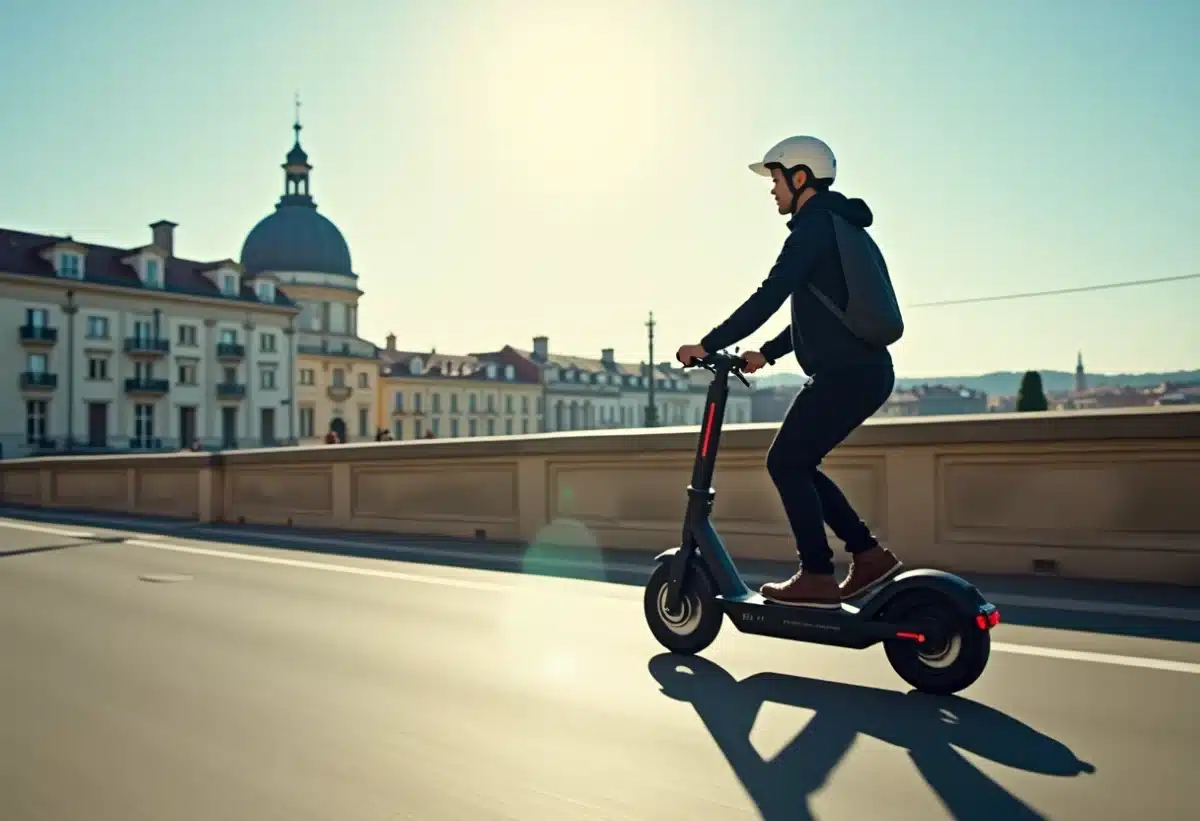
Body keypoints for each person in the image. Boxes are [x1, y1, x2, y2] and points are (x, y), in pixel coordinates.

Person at [675, 136, 901, 608]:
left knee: (785, 462)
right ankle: (867, 554)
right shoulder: (841, 226)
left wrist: (708, 343)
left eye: (776, 179)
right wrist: (768, 353)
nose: (772, 190)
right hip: (867, 370)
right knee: (798, 462)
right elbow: (823, 307)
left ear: (800, 178)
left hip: (846, 374)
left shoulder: (813, 228)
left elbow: (771, 293)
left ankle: (818, 574)